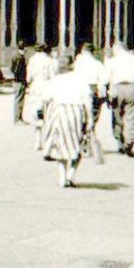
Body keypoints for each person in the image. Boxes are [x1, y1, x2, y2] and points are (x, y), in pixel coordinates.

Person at [40, 55, 92, 188]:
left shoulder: (54, 80)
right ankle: (71, 174)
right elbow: (87, 100)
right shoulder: (80, 80)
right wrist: (90, 118)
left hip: (58, 112)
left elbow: (45, 98)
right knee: (77, 144)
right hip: (75, 113)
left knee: (60, 145)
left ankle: (62, 177)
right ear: (72, 65)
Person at [106, 39, 134, 156]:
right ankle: (129, 143)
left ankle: (119, 141)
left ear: (117, 49)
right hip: (132, 87)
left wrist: (107, 92)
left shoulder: (112, 61)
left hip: (116, 88)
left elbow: (106, 78)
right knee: (132, 116)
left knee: (117, 116)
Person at [72, 41, 109, 163]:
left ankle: (80, 141)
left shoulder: (77, 63)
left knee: (79, 117)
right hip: (92, 90)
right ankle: (87, 140)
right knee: (92, 118)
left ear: (82, 51)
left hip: (78, 90)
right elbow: (104, 80)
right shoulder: (97, 64)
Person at [24, 44, 57, 149]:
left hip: (35, 88)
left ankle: (38, 141)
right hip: (46, 87)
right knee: (48, 114)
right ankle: (48, 141)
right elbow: (53, 76)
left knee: (36, 114)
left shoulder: (32, 60)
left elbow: (28, 77)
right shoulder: (49, 60)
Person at [10, 47, 30, 126]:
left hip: (16, 81)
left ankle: (19, 118)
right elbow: (19, 71)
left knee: (18, 99)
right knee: (19, 100)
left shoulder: (15, 56)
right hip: (20, 81)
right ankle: (17, 118)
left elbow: (12, 69)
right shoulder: (20, 58)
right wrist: (23, 80)